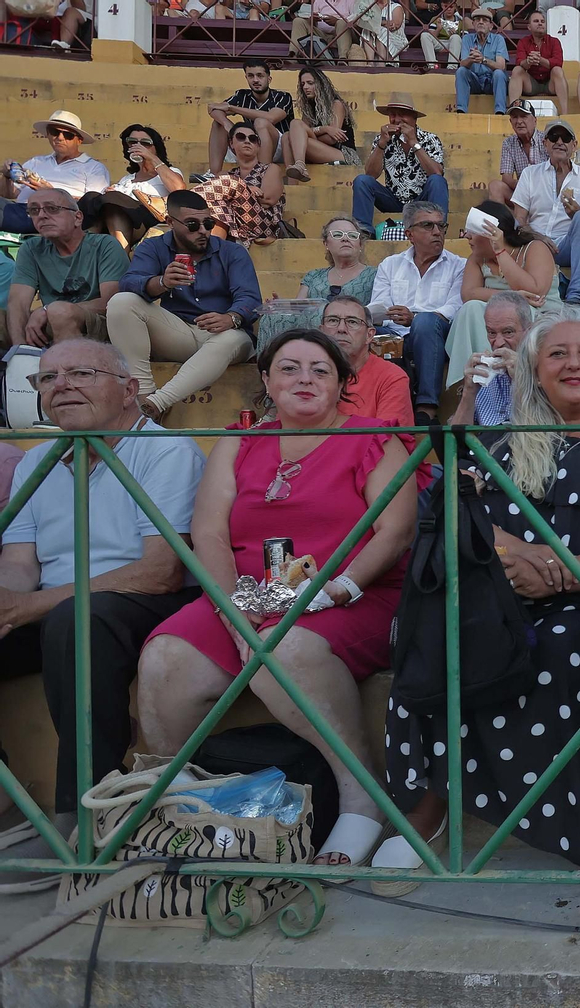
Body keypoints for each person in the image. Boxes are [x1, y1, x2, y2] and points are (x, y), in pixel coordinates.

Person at [378, 305, 580, 890]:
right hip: (505, 591)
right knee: (426, 638)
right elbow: (463, 504)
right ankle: (428, 809)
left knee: (560, 648)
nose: (573, 363)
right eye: (557, 353)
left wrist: (567, 573)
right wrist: (514, 561)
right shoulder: (507, 436)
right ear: (534, 369)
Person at [138, 329, 422, 869]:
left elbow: (395, 531)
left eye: (320, 369)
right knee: (166, 656)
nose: (304, 379)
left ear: (342, 383)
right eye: (289, 368)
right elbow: (212, 532)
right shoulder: (241, 441)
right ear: (266, 380)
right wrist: (230, 604)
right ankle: (171, 802)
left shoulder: (372, 437)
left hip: (350, 596)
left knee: (280, 653)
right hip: (248, 593)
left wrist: (339, 588)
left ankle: (364, 795)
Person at [0, 340, 203, 875]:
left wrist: (33, 604)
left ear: (130, 389)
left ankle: (85, 811)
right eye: (46, 378)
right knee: (64, 618)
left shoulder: (167, 451)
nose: (61, 385)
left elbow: (160, 572)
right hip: (56, 606)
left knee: (78, 620)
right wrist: (8, 601)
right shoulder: (37, 460)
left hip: (138, 600)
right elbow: (20, 562)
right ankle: (5, 803)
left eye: (80, 373)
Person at [108, 190, 261, 421]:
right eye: (192, 224)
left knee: (231, 338)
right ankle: (144, 391)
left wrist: (231, 318)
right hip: (179, 332)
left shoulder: (232, 252)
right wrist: (161, 282)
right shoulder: (154, 248)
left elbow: (250, 298)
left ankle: (155, 404)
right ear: (170, 222)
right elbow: (129, 283)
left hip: (226, 335)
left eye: (208, 223)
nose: (203, 231)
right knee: (121, 302)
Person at [369, 200, 466, 423]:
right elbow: (379, 307)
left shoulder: (459, 265)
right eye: (428, 226)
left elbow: (454, 307)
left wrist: (415, 318)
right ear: (409, 234)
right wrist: (392, 317)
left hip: (437, 333)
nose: (437, 232)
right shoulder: (390, 264)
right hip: (395, 334)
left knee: (425, 323)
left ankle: (427, 408)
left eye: (441, 226)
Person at [446, 200, 558, 387]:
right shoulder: (476, 258)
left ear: (492, 233)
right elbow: (469, 294)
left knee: (511, 314)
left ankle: (503, 379)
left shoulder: (535, 248)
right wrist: (510, 298)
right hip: (498, 320)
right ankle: (470, 384)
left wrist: (500, 251)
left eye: (472, 232)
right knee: (470, 309)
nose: (467, 237)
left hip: (540, 316)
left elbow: (535, 292)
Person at [7, 188, 127, 347]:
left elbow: (110, 303)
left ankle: (70, 369)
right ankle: (21, 360)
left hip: (99, 324)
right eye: (34, 210)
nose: (42, 215)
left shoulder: (105, 245)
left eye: (52, 208)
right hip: (49, 320)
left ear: (77, 218)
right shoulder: (31, 249)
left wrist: (47, 310)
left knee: (60, 312)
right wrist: (20, 347)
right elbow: (18, 302)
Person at [509, 118, 580, 307]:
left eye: (566, 138)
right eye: (553, 137)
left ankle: (576, 296)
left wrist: (577, 215)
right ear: (545, 143)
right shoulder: (529, 174)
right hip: (534, 244)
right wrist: (537, 237)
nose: (559, 142)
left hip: (567, 245)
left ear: (574, 145)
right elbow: (519, 219)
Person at [256, 217, 376, 349]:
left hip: (349, 327)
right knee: (271, 318)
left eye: (352, 235)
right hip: (310, 330)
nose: (345, 239)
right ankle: (272, 367)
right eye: (337, 235)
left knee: (322, 314)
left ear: (360, 244)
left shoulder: (374, 274)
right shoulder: (314, 275)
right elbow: (298, 308)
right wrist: (281, 307)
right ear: (326, 244)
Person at [0, 110, 110, 235]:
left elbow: (93, 205)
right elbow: (8, 194)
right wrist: (7, 176)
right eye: (54, 132)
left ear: (79, 140)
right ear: (48, 134)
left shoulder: (93, 168)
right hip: (21, 212)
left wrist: (52, 193)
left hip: (58, 215)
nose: (60, 138)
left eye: (67, 135)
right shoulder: (36, 162)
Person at [354, 100, 449, 238]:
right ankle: (363, 232)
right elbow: (370, 174)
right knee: (362, 181)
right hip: (393, 200)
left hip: (421, 201)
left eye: (402, 115)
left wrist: (414, 144)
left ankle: (438, 230)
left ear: (414, 119)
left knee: (437, 181)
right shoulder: (382, 139)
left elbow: (437, 172)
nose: (397, 120)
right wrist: (381, 144)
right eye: (392, 115)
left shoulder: (430, 139)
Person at [194, 61, 293, 185]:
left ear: (269, 78)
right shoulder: (242, 95)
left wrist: (232, 107)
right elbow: (213, 108)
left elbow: (271, 118)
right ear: (246, 77)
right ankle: (214, 174)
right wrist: (227, 124)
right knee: (217, 123)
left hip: (278, 148)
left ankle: (260, 175)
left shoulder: (283, 97)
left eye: (260, 76)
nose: (255, 80)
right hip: (251, 143)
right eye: (251, 76)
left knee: (261, 122)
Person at [319, 295, 412, 424]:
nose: (341, 329)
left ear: (369, 335)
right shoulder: (304, 375)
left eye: (352, 322)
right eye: (333, 320)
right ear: (321, 331)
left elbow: (389, 439)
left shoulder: (391, 377)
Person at [94, 125, 187, 251]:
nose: (138, 146)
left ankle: (120, 256)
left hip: (147, 222)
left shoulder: (169, 172)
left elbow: (179, 190)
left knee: (112, 200)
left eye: (145, 143)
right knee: (92, 198)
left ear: (156, 148)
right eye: (132, 142)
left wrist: (151, 157)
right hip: (116, 223)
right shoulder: (126, 179)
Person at [447, 289, 532, 425]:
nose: (498, 343)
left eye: (508, 332)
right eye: (491, 333)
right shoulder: (482, 376)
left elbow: (550, 431)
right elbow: (455, 441)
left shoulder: (545, 373)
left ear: (529, 331)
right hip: (485, 446)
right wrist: (468, 393)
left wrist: (523, 379)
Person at [192, 122, 285, 245]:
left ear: (258, 146)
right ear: (231, 144)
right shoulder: (227, 175)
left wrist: (240, 187)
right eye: (241, 137)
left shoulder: (270, 169)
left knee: (229, 182)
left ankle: (176, 201)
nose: (247, 141)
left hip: (263, 226)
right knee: (218, 206)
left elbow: (267, 200)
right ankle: (213, 252)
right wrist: (247, 189)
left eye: (253, 139)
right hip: (232, 221)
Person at [284, 66, 360, 183]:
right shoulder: (308, 109)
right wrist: (324, 128)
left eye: (310, 83)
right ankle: (292, 184)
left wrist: (313, 133)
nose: (305, 87)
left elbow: (332, 139)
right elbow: (302, 135)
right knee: (286, 137)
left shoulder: (336, 104)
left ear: (321, 85)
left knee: (295, 127)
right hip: (320, 149)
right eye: (303, 84)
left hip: (343, 153)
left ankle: (300, 165)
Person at [490, 99, 549, 206]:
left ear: (535, 120)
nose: (519, 121)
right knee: (495, 186)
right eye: (515, 117)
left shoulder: (546, 140)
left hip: (546, 192)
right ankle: (505, 222)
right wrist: (525, 187)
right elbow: (506, 178)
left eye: (524, 116)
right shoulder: (508, 143)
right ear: (510, 122)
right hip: (522, 192)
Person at [509, 11, 569, 114]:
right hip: (531, 84)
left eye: (542, 21)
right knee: (517, 70)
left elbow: (558, 62)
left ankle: (565, 114)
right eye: (536, 21)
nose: (540, 23)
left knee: (557, 71)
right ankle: (513, 110)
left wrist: (540, 60)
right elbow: (519, 62)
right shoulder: (523, 42)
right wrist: (528, 61)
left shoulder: (554, 41)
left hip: (550, 84)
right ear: (529, 27)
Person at [453, 7, 510, 115]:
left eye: (484, 20)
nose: (481, 22)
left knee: (499, 73)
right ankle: (461, 111)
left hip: (491, 81)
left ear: (491, 26)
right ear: (473, 24)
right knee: (461, 71)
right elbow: (462, 64)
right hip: (475, 81)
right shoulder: (467, 38)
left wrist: (483, 60)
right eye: (477, 20)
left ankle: (500, 112)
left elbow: (501, 66)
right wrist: (471, 59)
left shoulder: (498, 39)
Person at [290, 0, 360, 63]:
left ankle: (343, 58)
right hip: (321, 36)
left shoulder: (352, 1)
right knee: (298, 21)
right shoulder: (319, 1)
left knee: (341, 23)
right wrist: (312, 20)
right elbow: (312, 19)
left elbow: (356, 21)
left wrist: (336, 21)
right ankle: (293, 56)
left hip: (342, 36)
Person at [417, 0, 465, 68]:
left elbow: (465, 39)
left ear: (454, 7)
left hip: (453, 44)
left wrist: (455, 35)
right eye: (446, 6)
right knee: (424, 35)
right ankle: (432, 65)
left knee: (455, 37)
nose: (448, 9)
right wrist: (438, 29)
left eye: (451, 6)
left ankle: (452, 67)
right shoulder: (436, 19)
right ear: (442, 6)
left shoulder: (461, 22)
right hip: (439, 43)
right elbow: (430, 36)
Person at [361, 0, 409, 65]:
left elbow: (395, 25)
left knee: (381, 30)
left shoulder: (396, 7)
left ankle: (381, 62)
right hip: (376, 37)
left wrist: (376, 23)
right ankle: (370, 62)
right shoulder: (372, 7)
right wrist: (384, 23)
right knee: (367, 29)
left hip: (396, 39)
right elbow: (365, 22)